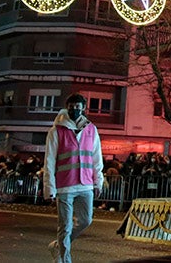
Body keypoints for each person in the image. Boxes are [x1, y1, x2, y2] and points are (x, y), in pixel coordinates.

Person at [44, 93, 105, 263]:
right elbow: (49, 160)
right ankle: (64, 259)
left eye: (78, 107)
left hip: (85, 185)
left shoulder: (91, 129)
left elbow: (96, 157)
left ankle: (59, 246)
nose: (75, 110)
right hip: (64, 185)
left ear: (83, 108)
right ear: (67, 107)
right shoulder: (56, 130)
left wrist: (97, 181)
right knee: (65, 226)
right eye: (72, 106)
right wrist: (50, 188)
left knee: (86, 220)